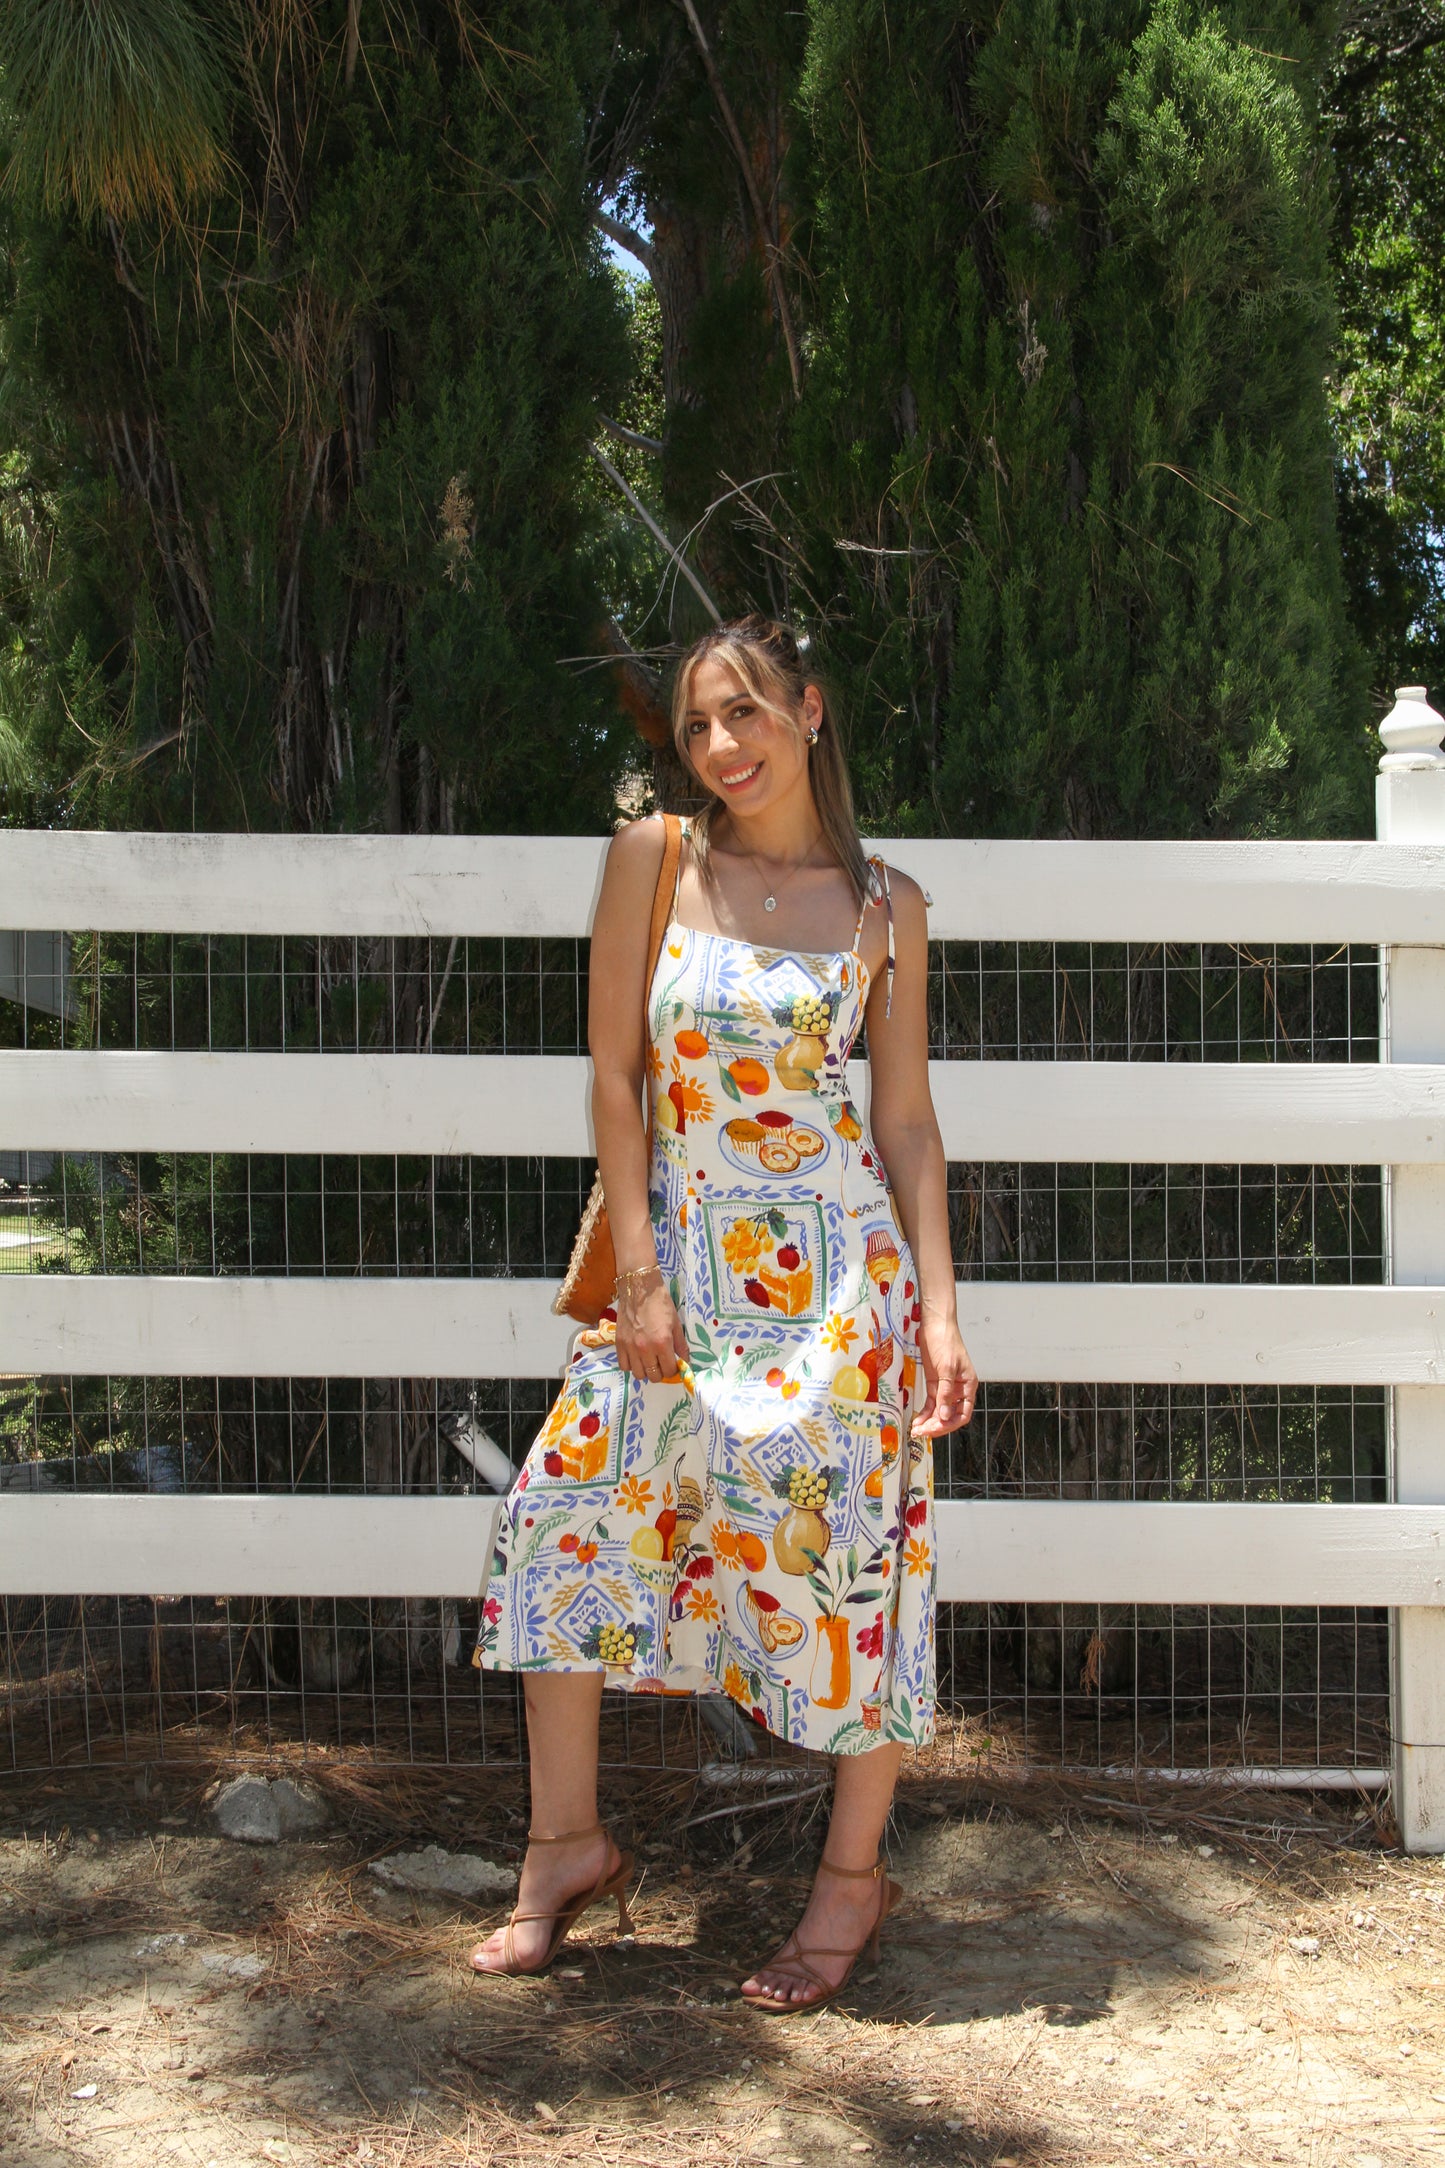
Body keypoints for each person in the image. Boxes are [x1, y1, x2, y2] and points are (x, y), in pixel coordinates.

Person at [471, 615, 977, 2010]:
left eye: (743, 714)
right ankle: (564, 1846)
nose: (720, 747)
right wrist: (635, 1271)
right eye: (696, 724)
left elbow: (910, 1124)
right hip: (680, 1271)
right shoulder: (653, 860)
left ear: (808, 712)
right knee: (563, 1518)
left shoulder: (886, 906)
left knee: (848, 1570)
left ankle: (848, 1881)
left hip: (836, 1292)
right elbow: (617, 1079)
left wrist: (937, 1312)